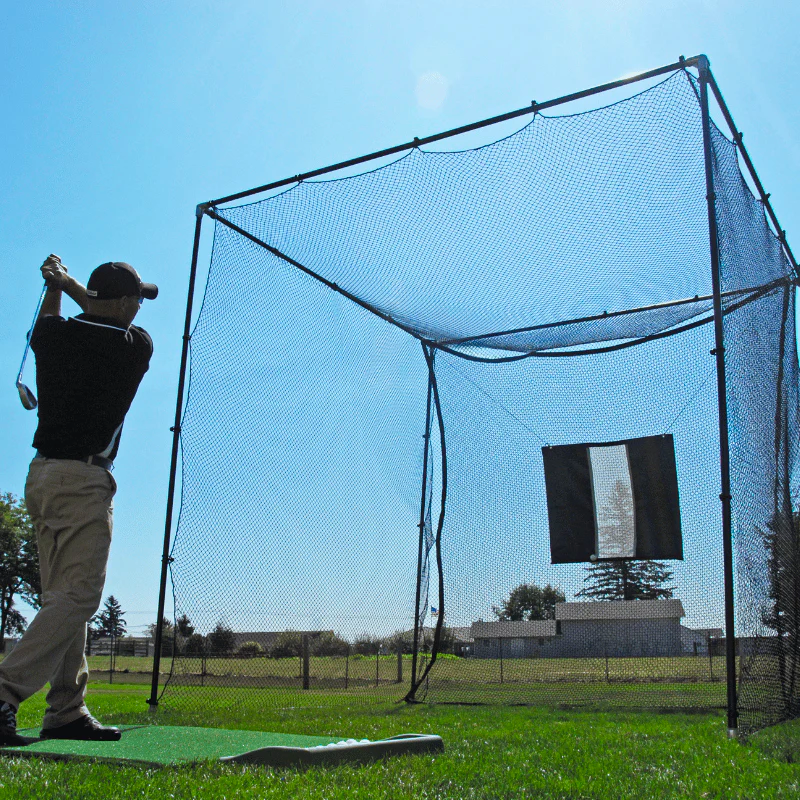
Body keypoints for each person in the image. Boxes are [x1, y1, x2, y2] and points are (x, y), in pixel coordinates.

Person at [0, 255, 157, 745]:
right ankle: (5, 692)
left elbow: (50, 321)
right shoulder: (133, 346)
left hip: (42, 477)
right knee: (80, 595)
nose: (139, 308)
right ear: (126, 302)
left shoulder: (55, 337)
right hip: (84, 480)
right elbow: (100, 314)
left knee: (62, 599)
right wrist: (65, 282)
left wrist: (54, 284)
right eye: (136, 300)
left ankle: (66, 708)